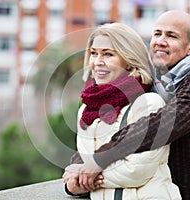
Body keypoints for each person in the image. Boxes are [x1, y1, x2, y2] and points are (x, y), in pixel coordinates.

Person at [66, 10, 190, 200]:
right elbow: (106, 131)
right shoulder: (150, 84)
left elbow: (156, 126)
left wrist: (97, 161)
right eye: (157, 33)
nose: (160, 41)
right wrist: (77, 172)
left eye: (171, 36)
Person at [63, 22, 181, 199]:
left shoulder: (149, 104)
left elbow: (137, 170)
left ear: (129, 60)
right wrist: (72, 186)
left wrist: (82, 176)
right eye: (93, 53)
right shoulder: (86, 111)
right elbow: (85, 164)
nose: (97, 62)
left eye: (108, 54)